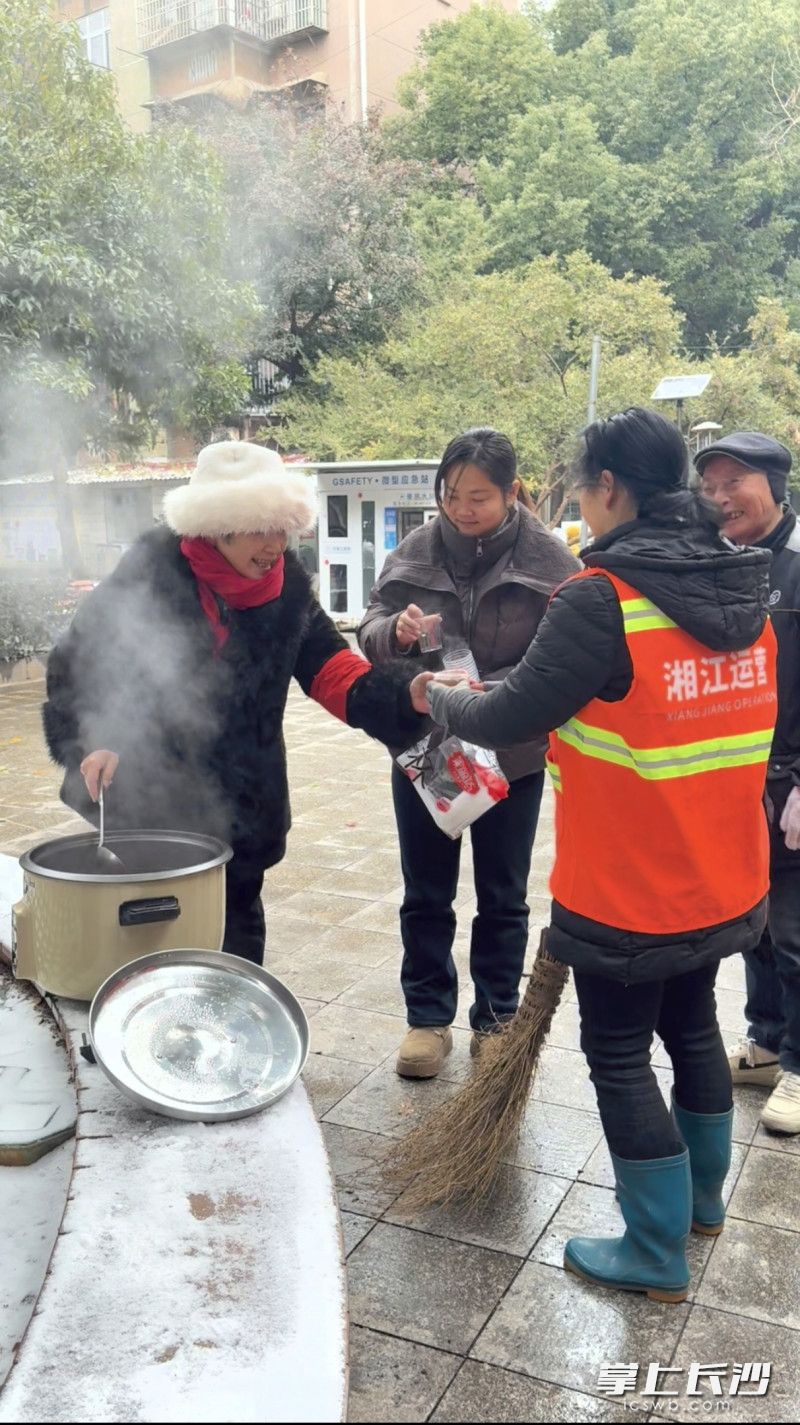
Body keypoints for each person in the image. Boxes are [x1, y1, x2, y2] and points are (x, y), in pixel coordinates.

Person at [412, 408, 777, 1303]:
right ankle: (700, 1206)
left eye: (584, 485)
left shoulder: (603, 595)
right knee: (690, 1023)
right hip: (722, 872)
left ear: (608, 487)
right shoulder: (742, 584)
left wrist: (440, 697)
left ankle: (654, 1249)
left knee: (616, 1051)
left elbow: (510, 716)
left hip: (630, 880)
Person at [43, 441, 423, 966]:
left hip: (242, 808)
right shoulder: (149, 574)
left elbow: (333, 669)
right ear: (216, 527)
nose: (274, 545)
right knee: (151, 952)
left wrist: (408, 694)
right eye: (259, 528)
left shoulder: (286, 589)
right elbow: (78, 661)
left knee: (235, 952)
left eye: (282, 528)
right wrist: (94, 738)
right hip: (149, 800)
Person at [358, 428, 578, 1079]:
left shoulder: (549, 561)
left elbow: (565, 656)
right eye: (451, 494)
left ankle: (496, 1018)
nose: (462, 508)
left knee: (503, 895)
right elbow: (368, 628)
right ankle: (427, 1018)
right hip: (429, 747)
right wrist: (391, 633)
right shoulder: (416, 552)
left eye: (479, 496)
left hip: (511, 749)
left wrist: (501, 692)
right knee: (425, 891)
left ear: (512, 492)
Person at [696, 433, 800, 1134]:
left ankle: (798, 1064)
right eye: (711, 487)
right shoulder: (719, 562)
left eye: (735, 481)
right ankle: (765, 1039)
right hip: (737, 779)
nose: (722, 497)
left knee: (794, 927)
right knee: (753, 921)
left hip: (791, 781)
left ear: (774, 482)